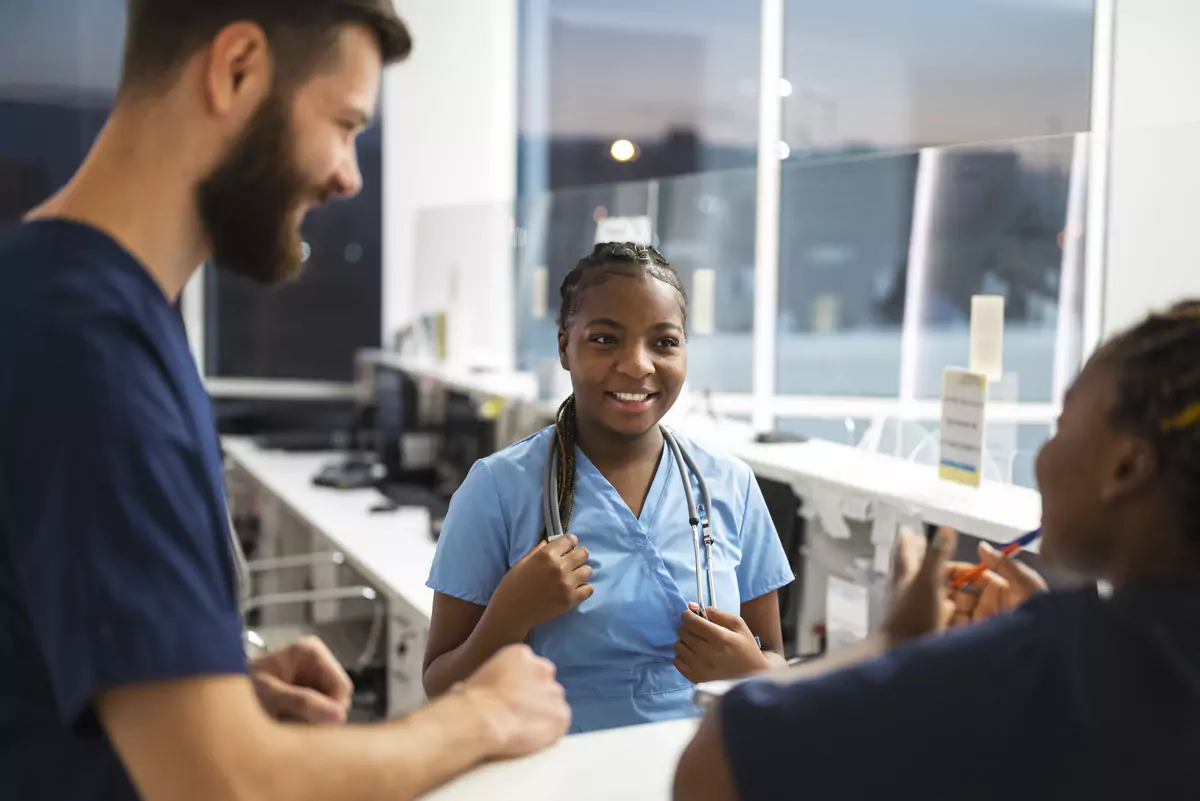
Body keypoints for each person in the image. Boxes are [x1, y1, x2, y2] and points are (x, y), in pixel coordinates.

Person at [0, 4, 569, 801]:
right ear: (237, 68)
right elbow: (223, 782)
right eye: (344, 123)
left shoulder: (70, 298)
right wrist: (479, 714)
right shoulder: (87, 345)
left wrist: (212, 686)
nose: (349, 175)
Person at [674, 301, 1200, 801]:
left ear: (1126, 468)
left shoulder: (1048, 664)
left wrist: (897, 641)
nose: (1042, 455)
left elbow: (712, 769)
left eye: (1061, 426)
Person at [422, 243, 795, 733]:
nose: (638, 365)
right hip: (557, 769)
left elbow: (776, 663)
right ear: (563, 346)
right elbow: (439, 685)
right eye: (605, 340)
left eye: (664, 343)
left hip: (698, 765)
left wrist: (751, 673)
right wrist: (508, 616)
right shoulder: (496, 488)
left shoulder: (730, 485)